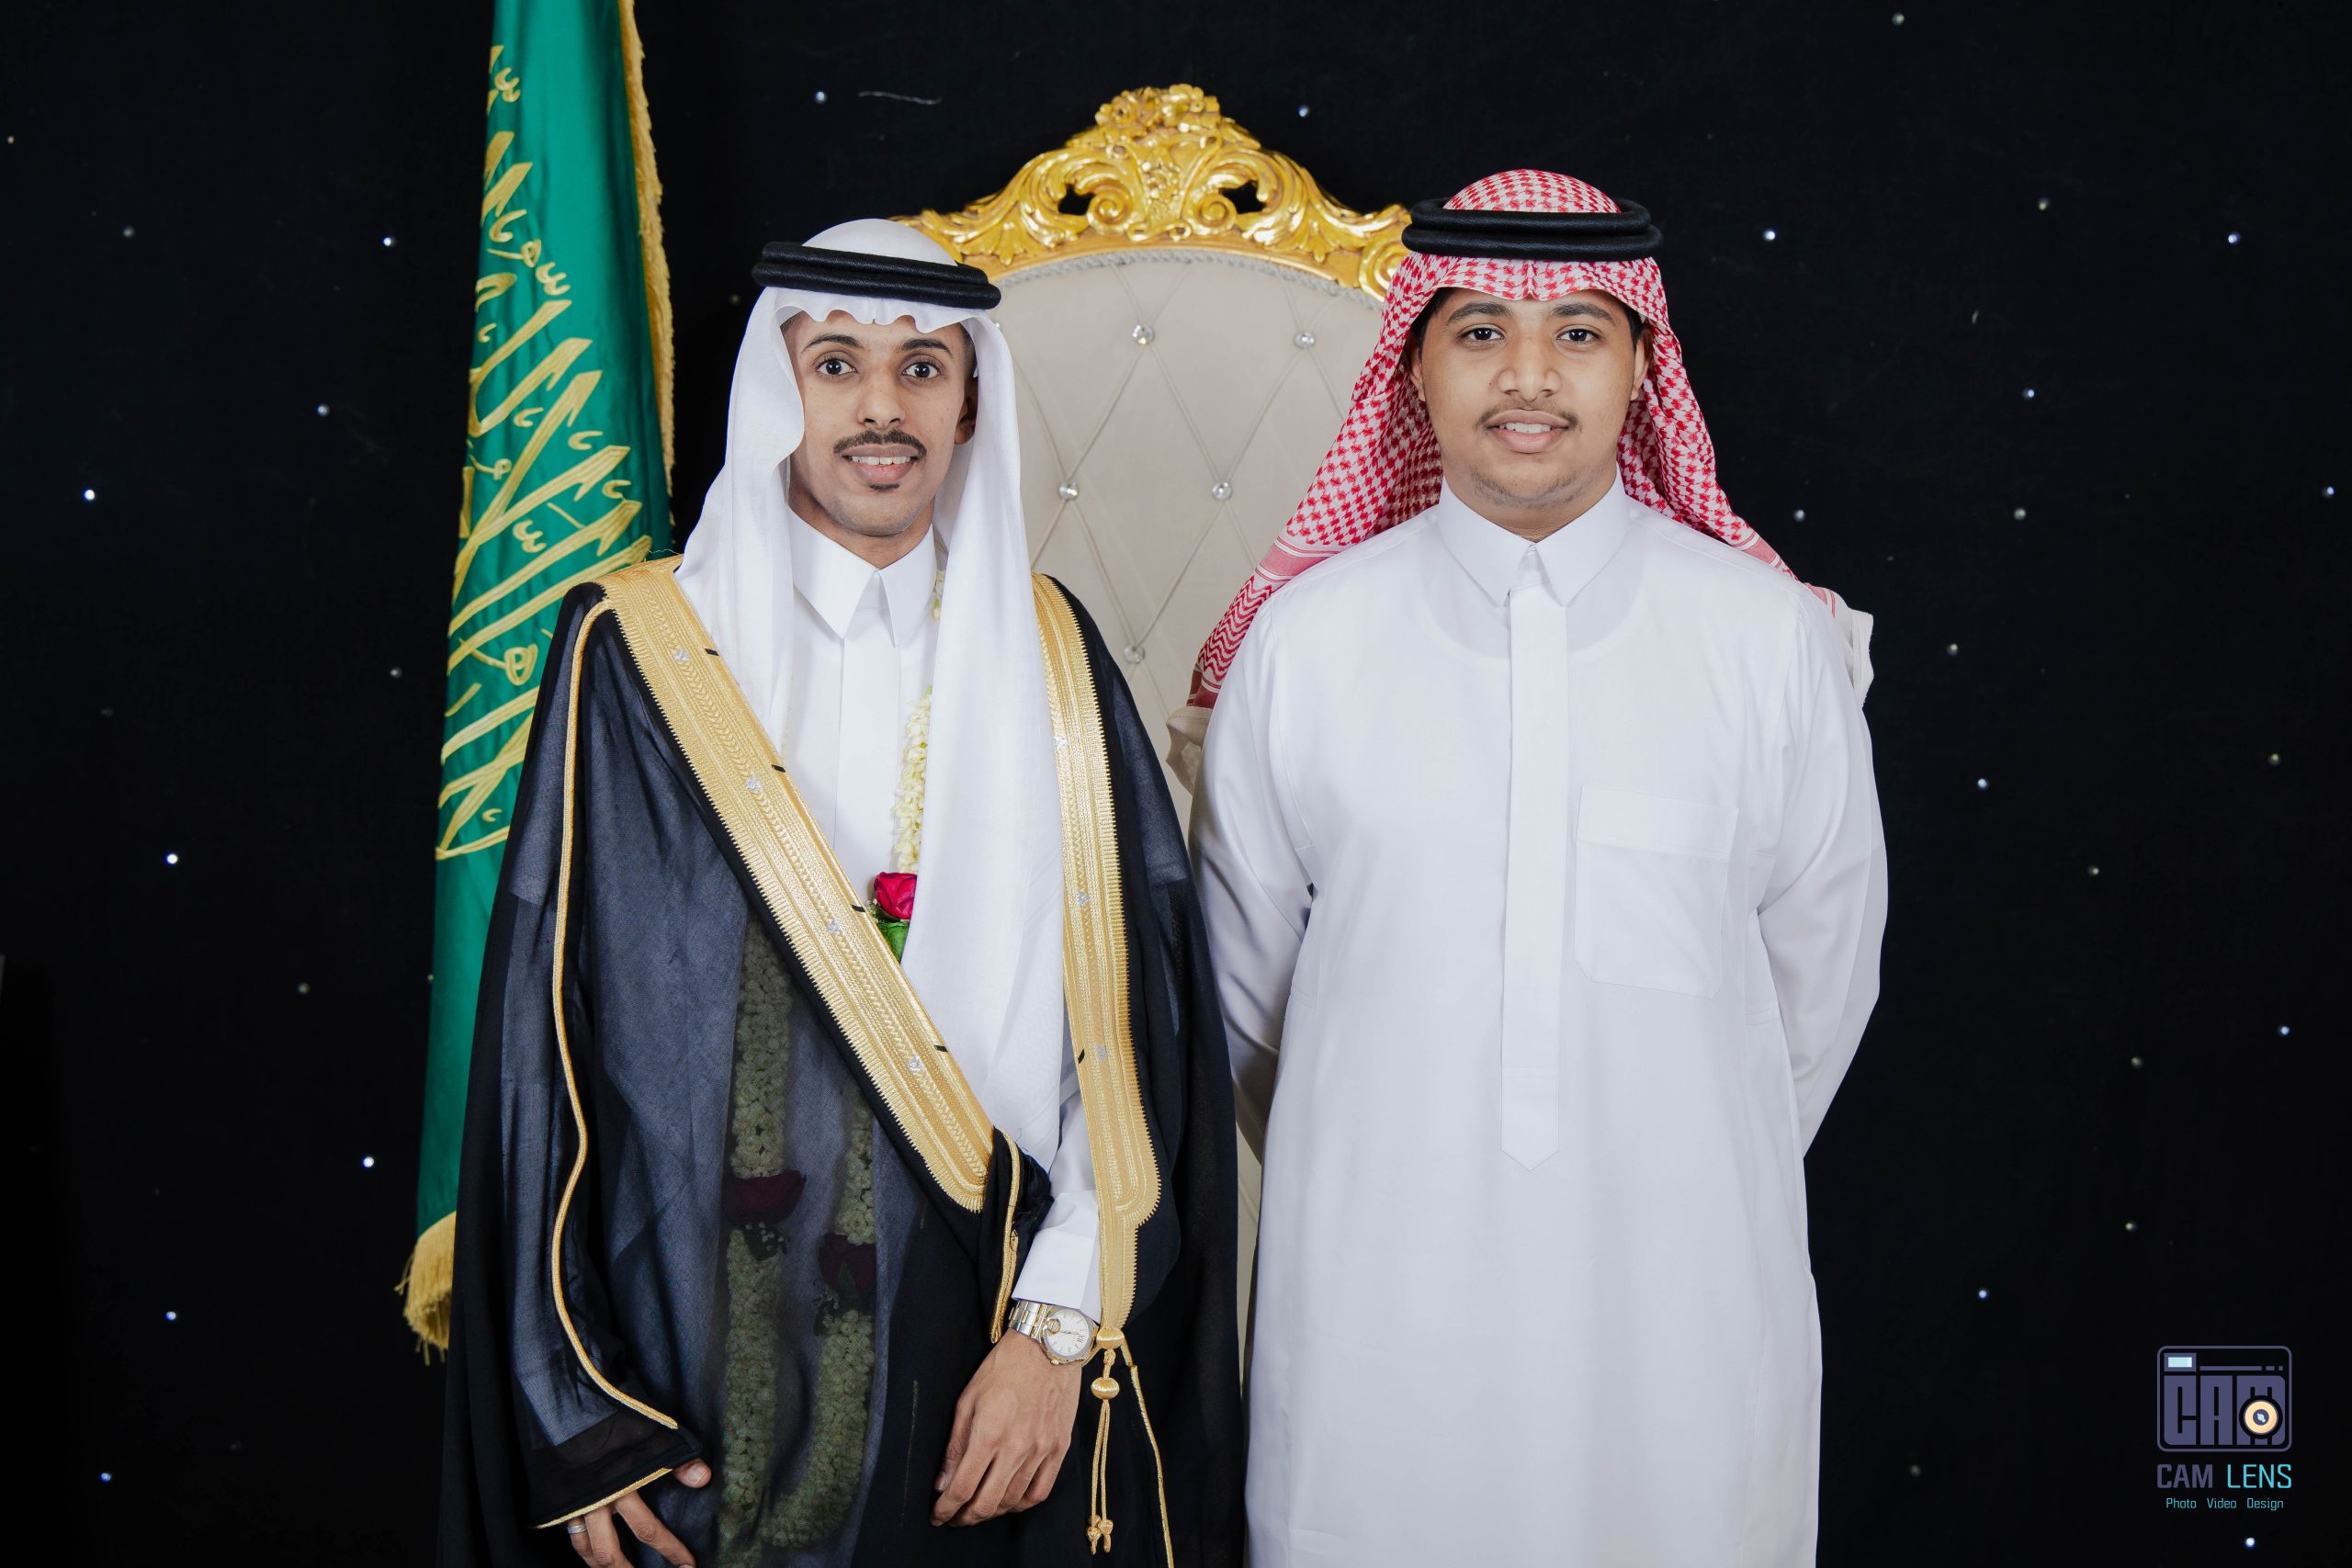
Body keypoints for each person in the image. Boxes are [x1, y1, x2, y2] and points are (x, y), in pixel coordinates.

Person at [439, 220, 1241, 1568]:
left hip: (989, 1344)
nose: (883, 405)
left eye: (923, 367)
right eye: (836, 363)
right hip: (698, 1358)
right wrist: (574, 1408)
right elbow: (546, 1044)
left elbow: (1131, 1044)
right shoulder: (638, 650)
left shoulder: (1052, 656)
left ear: (969, 404)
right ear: (779, 387)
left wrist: (1053, 1336)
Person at [1184, 171, 1887, 1566]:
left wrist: (1686, 1143)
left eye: (1577, 333)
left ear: (1641, 368)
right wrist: (1377, 1135)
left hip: (1682, 1293)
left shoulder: (1767, 643)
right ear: (1416, 371)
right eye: (1480, 333)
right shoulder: (1307, 645)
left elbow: (1823, 979)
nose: (1529, 376)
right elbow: (1246, 998)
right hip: (1379, 1292)